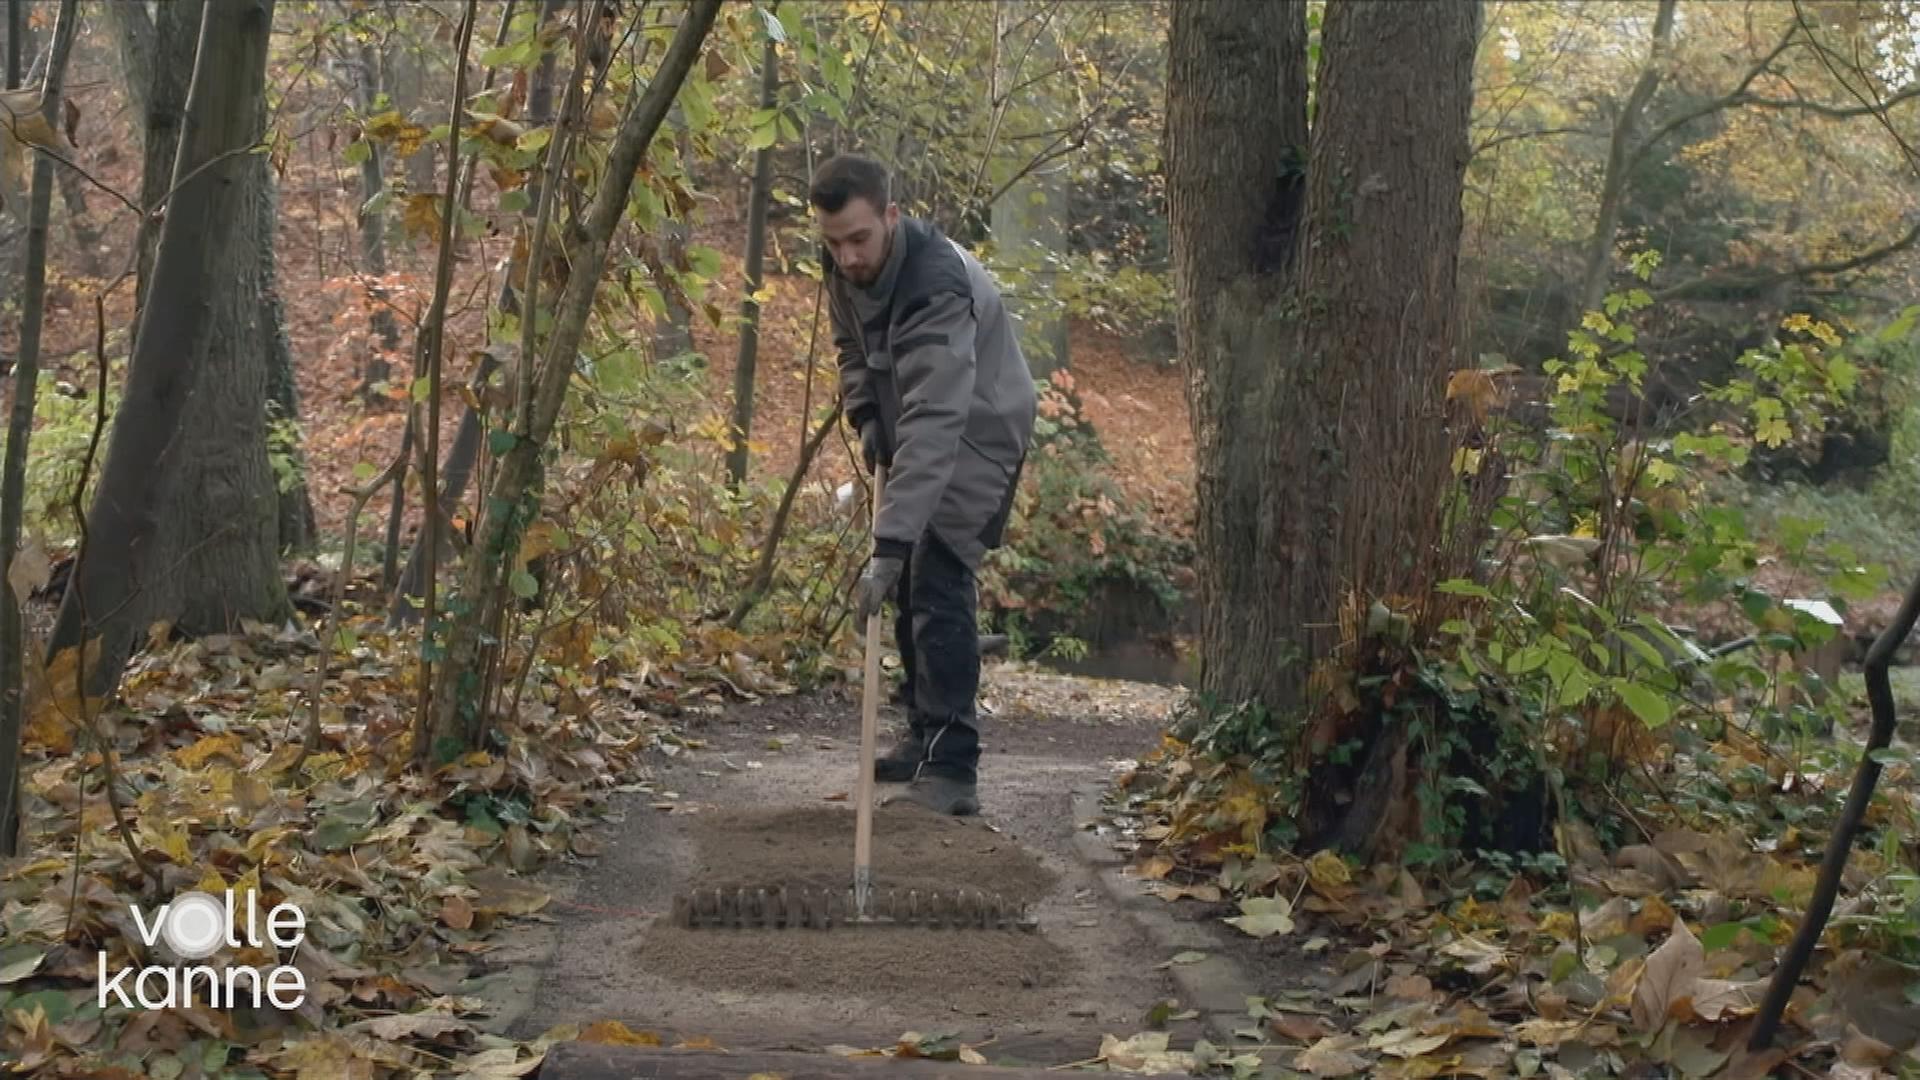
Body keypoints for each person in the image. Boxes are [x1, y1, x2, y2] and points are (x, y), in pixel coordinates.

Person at [811, 153, 1036, 817]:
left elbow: (940, 421)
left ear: (891, 216)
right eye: (834, 243)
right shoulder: (842, 265)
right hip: (920, 418)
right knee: (912, 577)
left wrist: (887, 543)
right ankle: (922, 730)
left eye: (860, 239)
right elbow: (851, 348)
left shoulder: (936, 283)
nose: (848, 257)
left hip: (979, 425)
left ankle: (952, 767)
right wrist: (868, 414)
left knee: (935, 571)